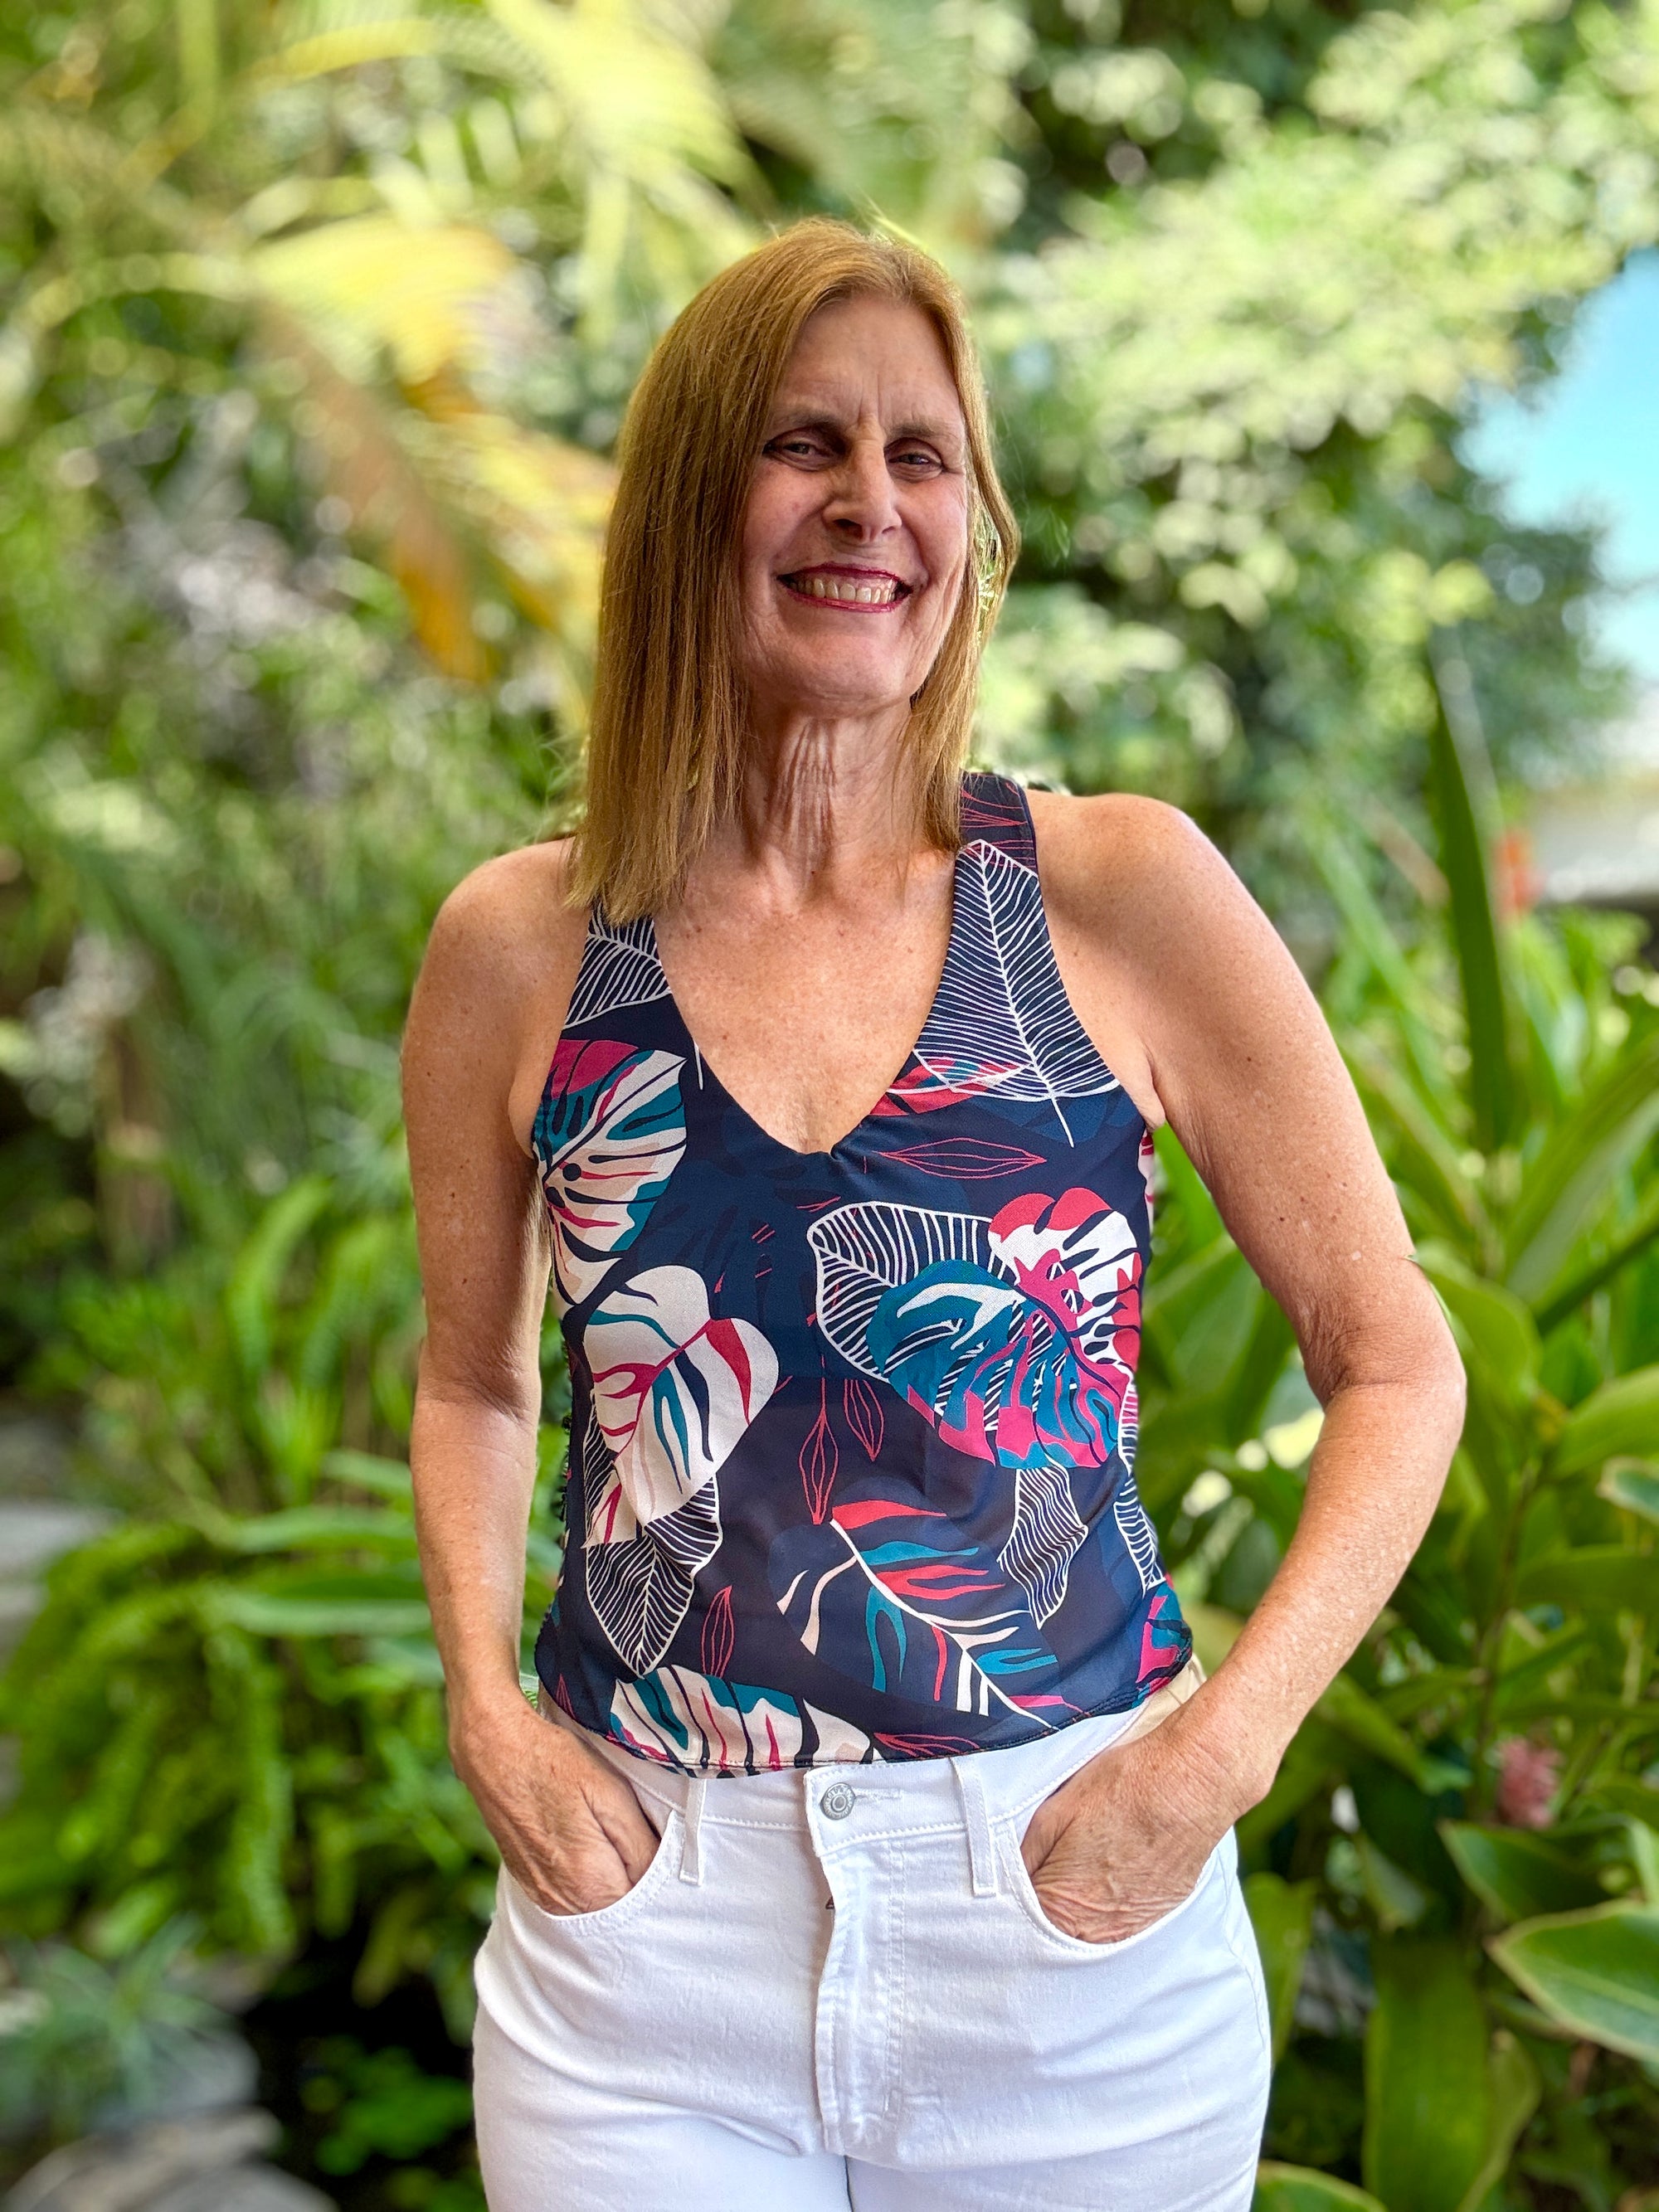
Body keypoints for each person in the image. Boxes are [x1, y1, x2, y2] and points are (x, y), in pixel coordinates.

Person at [401, 218, 1465, 2212]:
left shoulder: (1110, 894)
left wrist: (1215, 1760)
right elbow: (472, 1382)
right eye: (803, 442)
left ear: (972, 522)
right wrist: (484, 1711)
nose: (868, 502)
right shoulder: (522, 942)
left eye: (922, 454)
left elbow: (1395, 1359)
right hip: (646, 1934)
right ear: (692, 498)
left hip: (1063, 1924)